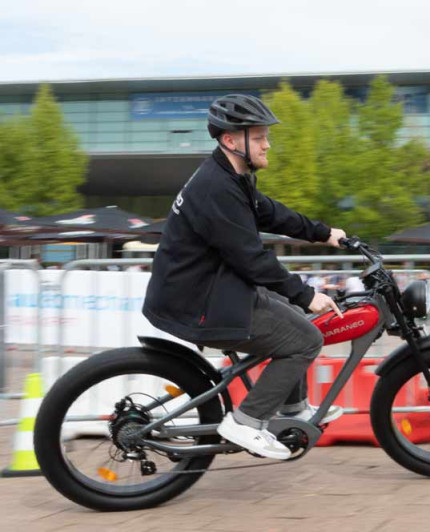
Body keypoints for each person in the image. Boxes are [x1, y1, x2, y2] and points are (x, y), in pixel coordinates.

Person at [142, 94, 346, 460]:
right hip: (197, 303)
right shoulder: (217, 188)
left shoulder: (231, 178)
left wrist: (323, 232)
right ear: (231, 140)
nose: (268, 144)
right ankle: (247, 422)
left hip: (207, 290)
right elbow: (250, 258)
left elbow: (270, 213)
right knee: (305, 339)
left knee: (294, 319)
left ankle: (294, 409)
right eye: (260, 136)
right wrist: (305, 294)